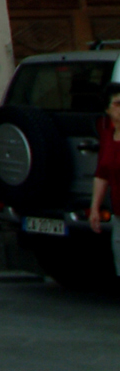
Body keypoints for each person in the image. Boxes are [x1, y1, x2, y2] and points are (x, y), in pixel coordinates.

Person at [93, 85, 120, 273]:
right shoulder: (108, 136)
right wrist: (95, 207)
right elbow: (102, 174)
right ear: (107, 109)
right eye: (118, 104)